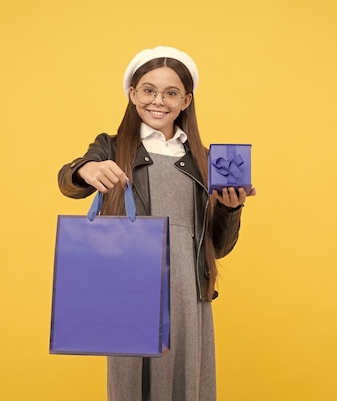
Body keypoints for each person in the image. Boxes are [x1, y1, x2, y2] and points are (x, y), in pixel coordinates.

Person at [58, 46, 256, 401]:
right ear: (133, 94)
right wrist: (85, 169)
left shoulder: (206, 159)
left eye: (170, 93)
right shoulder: (112, 146)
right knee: (131, 384)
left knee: (185, 382)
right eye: (148, 90)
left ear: (186, 100)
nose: (158, 101)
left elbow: (219, 246)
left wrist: (230, 210)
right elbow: (67, 181)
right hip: (128, 285)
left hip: (187, 287)